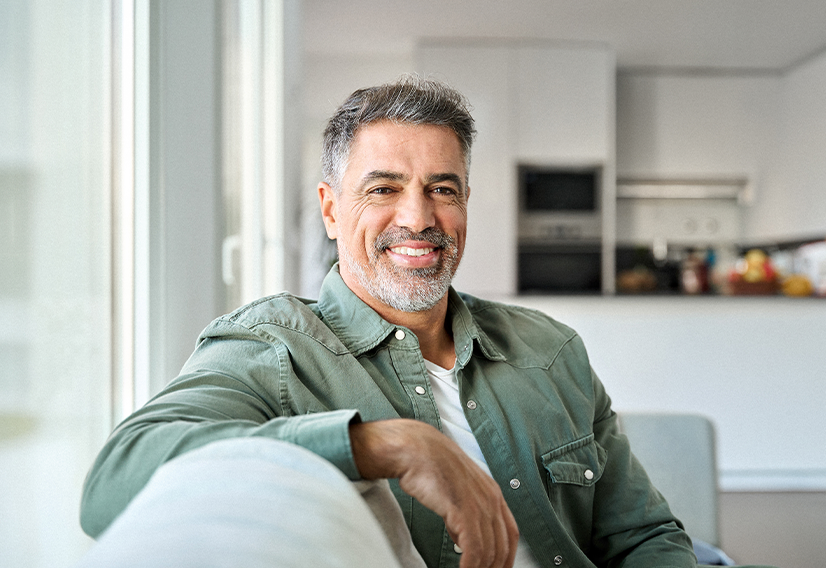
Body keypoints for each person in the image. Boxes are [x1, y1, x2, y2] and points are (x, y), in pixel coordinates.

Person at [79, 75, 701, 568]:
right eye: (383, 189)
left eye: (443, 189)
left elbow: (644, 537)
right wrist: (383, 445)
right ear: (331, 210)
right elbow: (117, 481)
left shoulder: (550, 348)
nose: (418, 218)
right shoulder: (270, 347)